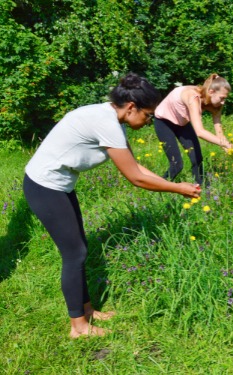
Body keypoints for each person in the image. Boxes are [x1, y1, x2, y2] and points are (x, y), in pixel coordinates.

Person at [23, 73, 201, 339]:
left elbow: (136, 165)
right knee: (75, 255)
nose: (149, 121)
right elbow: (136, 178)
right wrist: (178, 188)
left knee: (79, 249)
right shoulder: (106, 123)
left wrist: (171, 183)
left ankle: (88, 311)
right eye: (148, 115)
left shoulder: (111, 121)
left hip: (60, 185)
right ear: (132, 107)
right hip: (44, 186)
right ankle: (78, 327)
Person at [154, 73, 233, 186]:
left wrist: (227, 147)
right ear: (211, 92)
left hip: (182, 123)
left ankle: (203, 189)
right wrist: (228, 145)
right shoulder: (193, 97)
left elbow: (219, 131)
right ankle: (161, 187)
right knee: (176, 164)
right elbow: (200, 132)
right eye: (222, 98)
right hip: (164, 121)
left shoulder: (216, 103)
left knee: (197, 159)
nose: (223, 102)